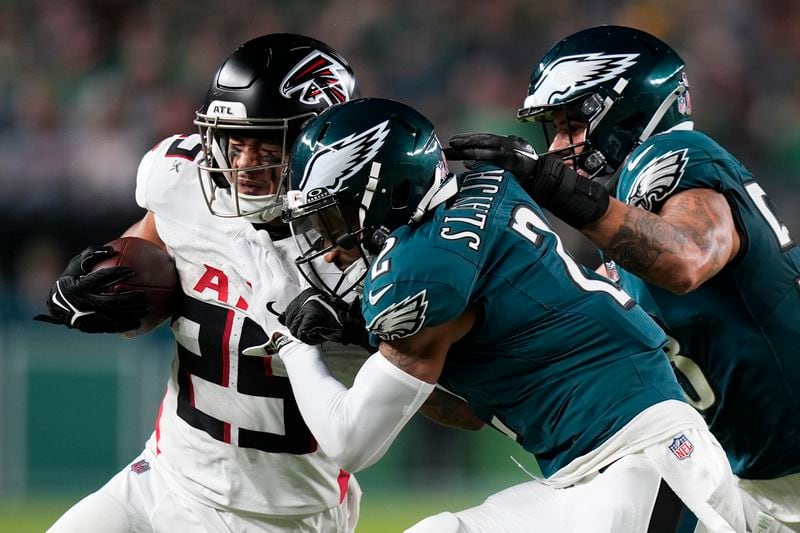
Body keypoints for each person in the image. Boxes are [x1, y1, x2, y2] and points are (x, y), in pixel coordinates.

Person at [243, 96, 746, 532]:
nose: (330, 251)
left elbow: (349, 441)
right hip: (589, 474)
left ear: (384, 195)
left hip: (649, 461)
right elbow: (466, 410)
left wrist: (292, 340)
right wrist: (359, 334)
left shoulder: (424, 270)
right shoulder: (459, 219)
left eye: (332, 220)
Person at [444, 25, 800, 532]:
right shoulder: (618, 256)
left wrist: (552, 187)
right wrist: (396, 348)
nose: (558, 147)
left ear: (626, 110)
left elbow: (688, 258)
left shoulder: (674, 155)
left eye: (572, 124)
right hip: (750, 489)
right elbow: (507, 391)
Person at [36, 33, 367, 532]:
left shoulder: (368, 246)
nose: (243, 163)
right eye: (236, 139)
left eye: (267, 142)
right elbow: (143, 252)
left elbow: (438, 391)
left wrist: (361, 336)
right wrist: (103, 285)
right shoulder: (183, 184)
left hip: (281, 514)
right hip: (165, 474)